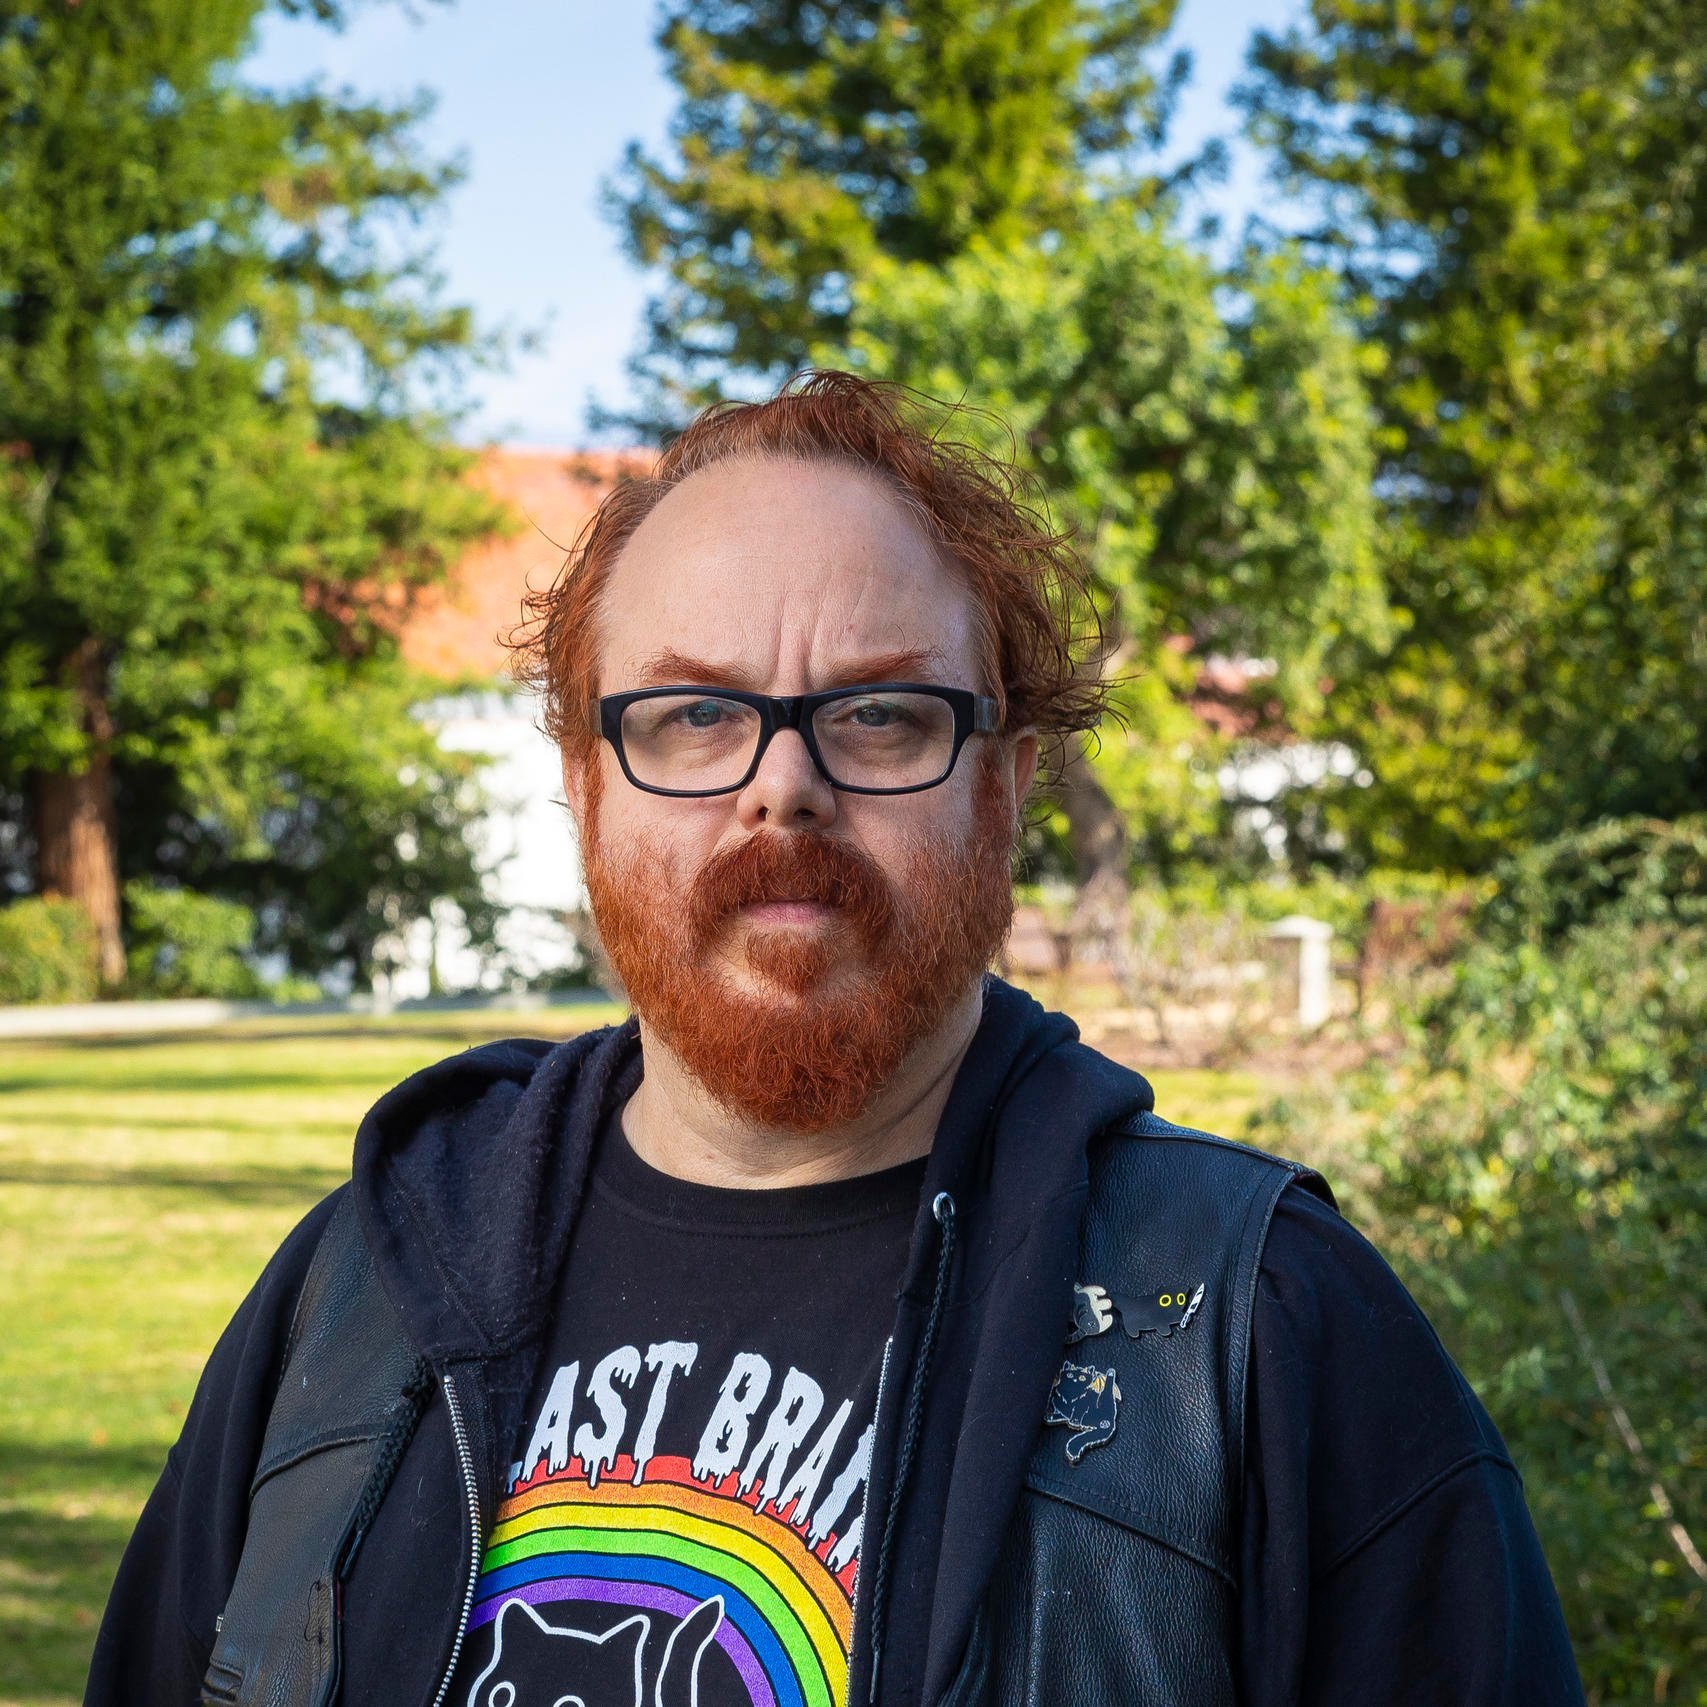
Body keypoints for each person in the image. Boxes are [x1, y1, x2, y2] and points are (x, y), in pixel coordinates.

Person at [85, 371, 1585, 1707]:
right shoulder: (361, 1289)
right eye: (690, 715)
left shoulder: (1259, 1333)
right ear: (586, 786)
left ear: (1007, 784)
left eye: (878, 714)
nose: (780, 788)